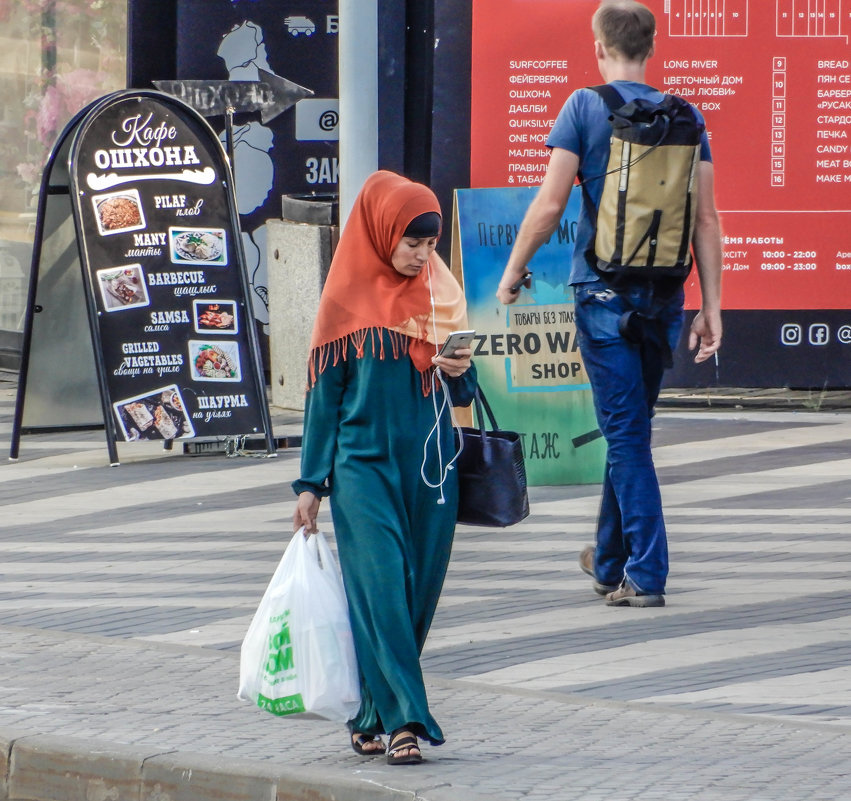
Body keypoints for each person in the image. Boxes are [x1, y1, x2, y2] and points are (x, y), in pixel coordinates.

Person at [496, 0, 722, 607]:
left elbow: (548, 206)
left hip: (600, 296)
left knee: (625, 439)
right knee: (629, 428)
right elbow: (705, 219)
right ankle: (608, 559)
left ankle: (646, 574)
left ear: (599, 47)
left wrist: (513, 272)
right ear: (651, 48)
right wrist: (713, 306)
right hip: (664, 298)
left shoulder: (584, 106)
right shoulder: (687, 115)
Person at [292, 170, 477, 764]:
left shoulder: (439, 293)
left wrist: (458, 369)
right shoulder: (345, 298)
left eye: (430, 245)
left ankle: (371, 711)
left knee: (413, 593)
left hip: (430, 468)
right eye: (412, 243)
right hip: (362, 468)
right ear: (382, 232)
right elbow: (325, 396)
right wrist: (310, 484)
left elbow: (465, 384)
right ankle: (406, 721)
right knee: (379, 589)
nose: (422, 256)